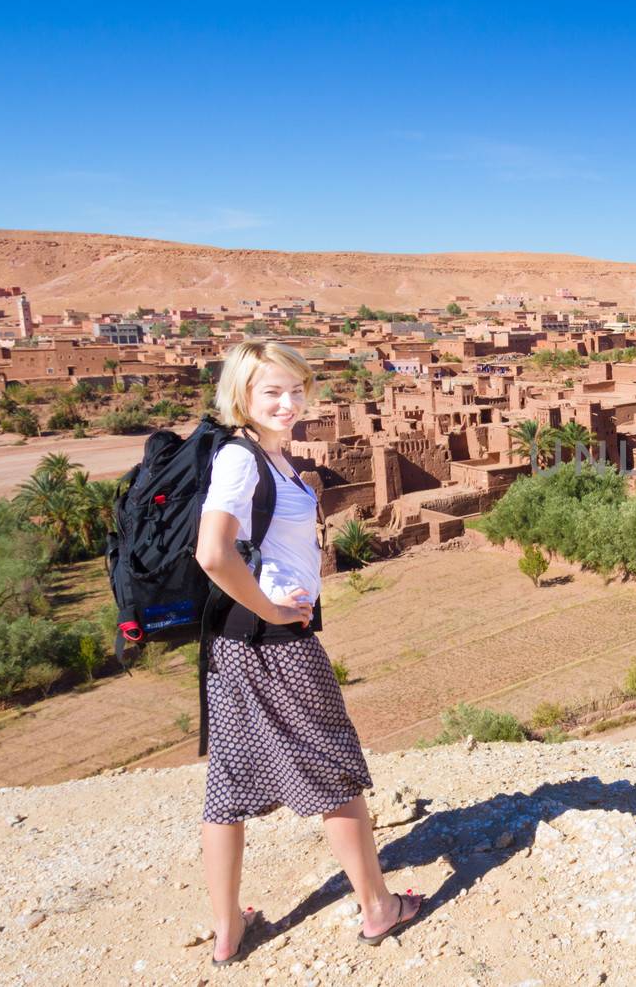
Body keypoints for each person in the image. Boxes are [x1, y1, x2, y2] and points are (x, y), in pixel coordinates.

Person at [195, 340, 422, 965]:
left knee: (230, 782)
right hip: (274, 642)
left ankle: (227, 930)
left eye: (296, 389)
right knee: (333, 770)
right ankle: (378, 907)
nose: (289, 402)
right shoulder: (241, 461)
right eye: (272, 391)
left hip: (233, 646)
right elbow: (211, 552)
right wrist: (271, 609)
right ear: (241, 394)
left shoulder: (272, 457)